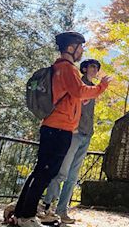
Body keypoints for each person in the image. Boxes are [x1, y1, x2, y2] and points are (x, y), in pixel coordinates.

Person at [14, 32, 112, 227]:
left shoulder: (59, 68)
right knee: (45, 172)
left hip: (55, 126)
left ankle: (21, 213)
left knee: (41, 171)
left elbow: (74, 96)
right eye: (80, 47)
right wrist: (101, 87)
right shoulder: (67, 69)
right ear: (71, 48)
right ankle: (26, 216)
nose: (82, 51)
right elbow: (80, 90)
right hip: (59, 128)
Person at [40, 59, 102, 224]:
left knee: (72, 176)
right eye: (92, 66)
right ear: (84, 68)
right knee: (62, 172)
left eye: (97, 68)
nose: (94, 70)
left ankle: (62, 211)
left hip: (86, 134)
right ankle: (47, 206)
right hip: (73, 132)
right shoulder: (78, 84)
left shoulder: (93, 89)